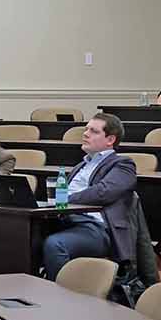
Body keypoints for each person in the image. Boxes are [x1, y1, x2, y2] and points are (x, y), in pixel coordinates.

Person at [41, 114, 138, 281]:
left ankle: (61, 300)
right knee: (20, 237)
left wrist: (65, 199)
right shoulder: (81, 165)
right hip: (65, 221)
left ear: (110, 139)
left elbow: (103, 192)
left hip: (97, 229)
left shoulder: (123, 164)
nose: (85, 134)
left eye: (93, 131)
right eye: (86, 129)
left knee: (56, 244)